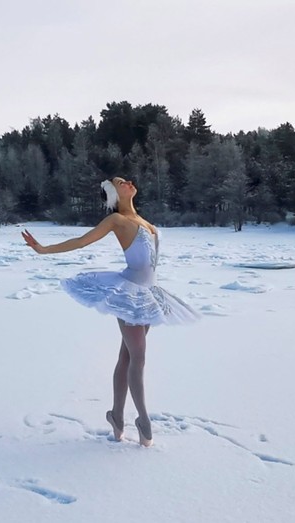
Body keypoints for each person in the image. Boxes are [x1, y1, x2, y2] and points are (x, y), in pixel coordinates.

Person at [21, 177, 199, 447]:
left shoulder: (146, 223)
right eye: (120, 181)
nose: (128, 181)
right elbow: (82, 241)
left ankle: (116, 415)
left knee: (127, 356)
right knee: (138, 357)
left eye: (126, 179)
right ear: (114, 193)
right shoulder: (117, 221)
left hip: (149, 294)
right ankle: (142, 420)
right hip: (128, 294)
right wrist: (43, 249)